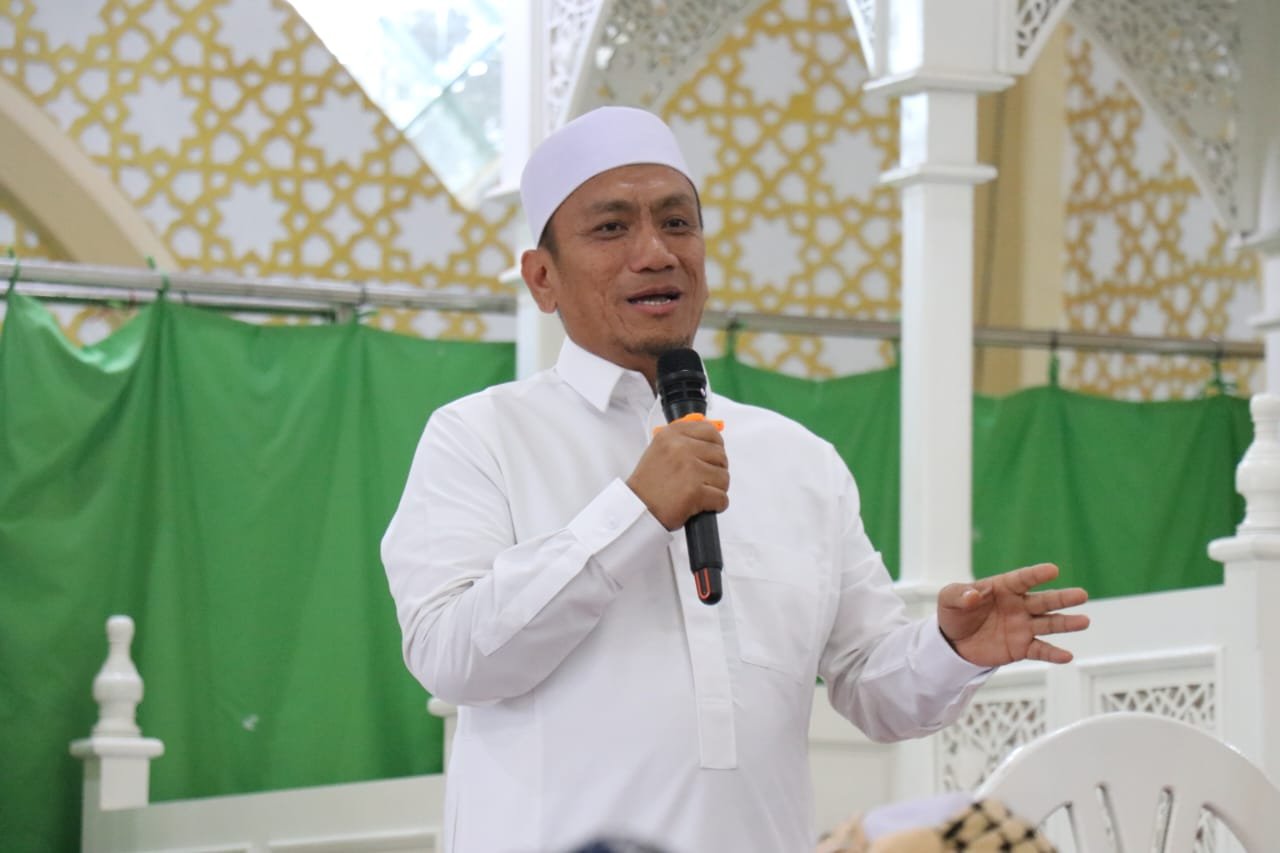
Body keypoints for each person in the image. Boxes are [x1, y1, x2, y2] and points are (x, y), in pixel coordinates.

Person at [381, 106, 1089, 853]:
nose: (656, 253)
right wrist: (636, 510)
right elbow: (450, 657)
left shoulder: (796, 458)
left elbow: (875, 689)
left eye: (677, 224)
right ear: (542, 277)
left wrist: (951, 647)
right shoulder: (480, 436)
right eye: (612, 228)